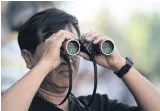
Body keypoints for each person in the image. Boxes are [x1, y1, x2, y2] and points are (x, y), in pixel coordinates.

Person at [2, 8, 160, 111]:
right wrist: (47, 63)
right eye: (57, 48)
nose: (66, 58)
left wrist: (119, 65)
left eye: (71, 46)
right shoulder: (18, 102)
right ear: (28, 58)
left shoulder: (95, 105)